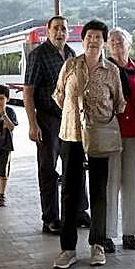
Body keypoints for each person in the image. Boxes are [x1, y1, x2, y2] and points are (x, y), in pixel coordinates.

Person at [51, 19, 124, 269]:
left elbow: (119, 103)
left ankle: (98, 244)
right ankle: (68, 248)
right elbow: (59, 96)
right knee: (70, 191)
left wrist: (97, 119)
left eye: (98, 37)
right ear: (82, 40)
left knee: (99, 192)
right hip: (71, 135)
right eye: (89, 36)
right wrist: (76, 118)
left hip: (100, 135)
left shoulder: (111, 71)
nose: (93, 41)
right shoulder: (71, 65)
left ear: (104, 42)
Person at [23, 16, 88, 234]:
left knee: (75, 165)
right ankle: (50, 217)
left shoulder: (71, 54)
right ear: (48, 31)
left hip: (70, 119)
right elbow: (28, 91)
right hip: (47, 119)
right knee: (48, 169)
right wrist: (33, 125)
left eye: (64, 28)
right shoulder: (38, 56)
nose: (60, 32)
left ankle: (79, 211)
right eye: (56, 28)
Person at [105, 26, 135, 252]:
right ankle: (107, 234)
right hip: (110, 134)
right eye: (112, 41)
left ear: (129, 45)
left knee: (133, 185)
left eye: (120, 41)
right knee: (110, 184)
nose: (116, 44)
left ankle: (130, 232)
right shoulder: (103, 69)